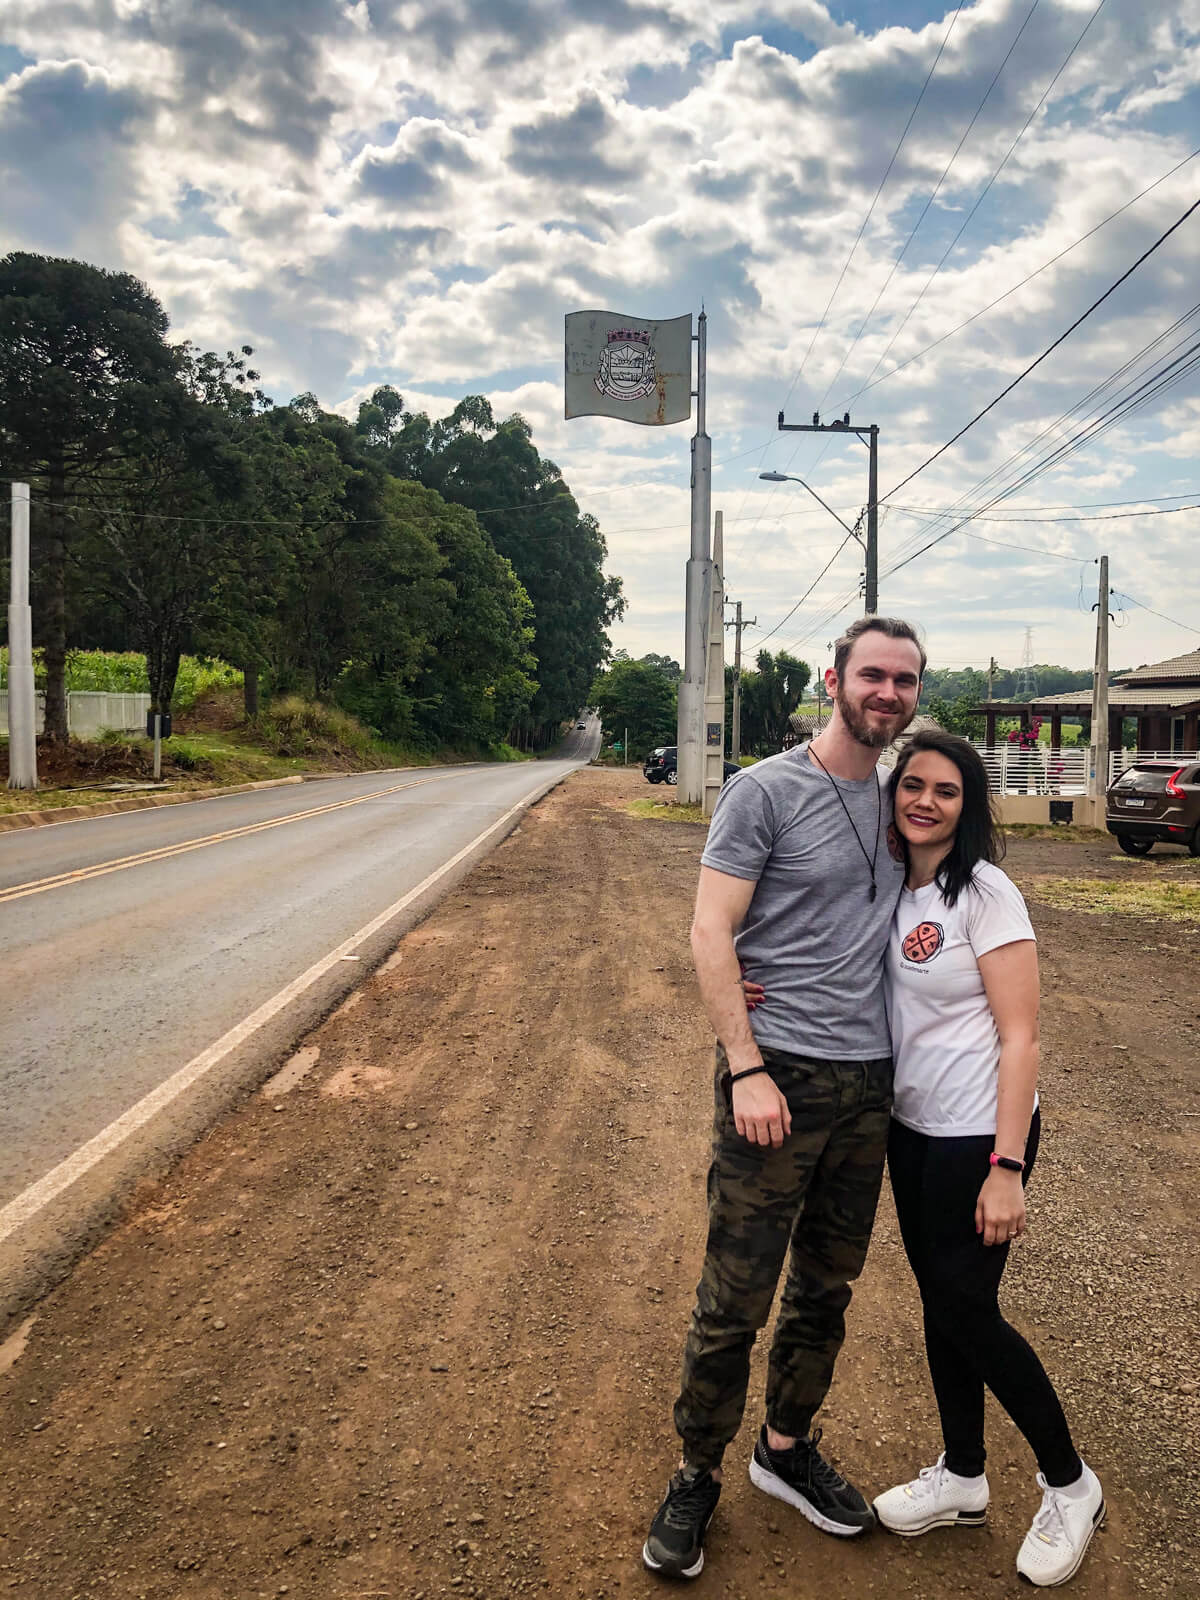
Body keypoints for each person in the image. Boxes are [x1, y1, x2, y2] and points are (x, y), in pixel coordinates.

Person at [642, 616, 925, 1581]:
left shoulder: (905, 803)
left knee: (826, 1289)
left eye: (906, 681)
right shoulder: (765, 791)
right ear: (837, 678)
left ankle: (787, 1449)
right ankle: (694, 1472)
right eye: (874, 676)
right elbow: (710, 928)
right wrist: (745, 1063)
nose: (888, 694)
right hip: (781, 1077)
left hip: (870, 1088)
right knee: (735, 1295)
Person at [868, 730, 1104, 1587]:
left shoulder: (985, 892)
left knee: (967, 1304)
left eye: (948, 790)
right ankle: (963, 1476)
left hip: (980, 1135)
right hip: (913, 1129)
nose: (926, 800)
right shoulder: (894, 889)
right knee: (942, 1301)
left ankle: (1071, 1484)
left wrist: (1007, 1166)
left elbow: (1021, 1036)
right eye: (913, 785)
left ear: (969, 808)